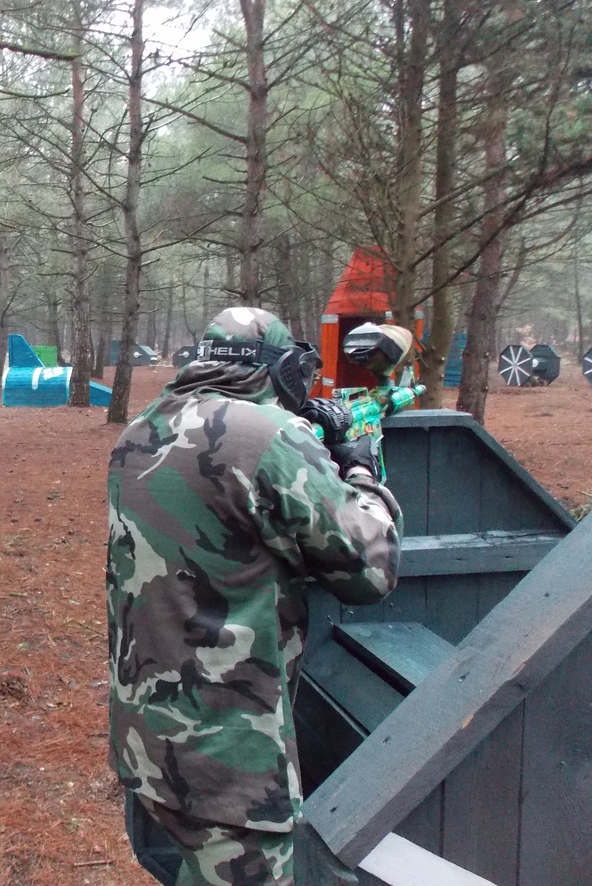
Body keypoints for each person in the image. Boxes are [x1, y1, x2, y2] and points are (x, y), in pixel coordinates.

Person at [106, 307, 401, 886]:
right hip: (231, 757)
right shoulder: (268, 435)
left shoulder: (140, 428)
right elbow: (369, 573)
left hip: (150, 733)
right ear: (281, 369)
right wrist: (361, 472)